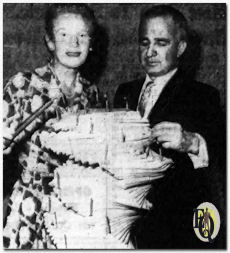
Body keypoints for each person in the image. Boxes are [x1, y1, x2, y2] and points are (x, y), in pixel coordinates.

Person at [114, 5, 225, 249]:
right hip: (124, 226)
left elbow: (219, 154)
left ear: (181, 47)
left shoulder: (203, 96)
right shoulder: (124, 92)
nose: (150, 51)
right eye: (145, 42)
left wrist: (192, 142)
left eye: (161, 42)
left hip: (176, 228)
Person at [3, 3, 101, 248]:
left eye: (82, 35)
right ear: (49, 41)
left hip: (78, 213)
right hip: (30, 209)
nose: (74, 43)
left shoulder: (96, 96)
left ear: (91, 42)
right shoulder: (22, 85)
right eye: (64, 35)